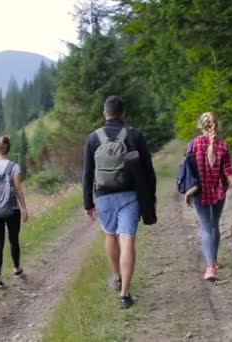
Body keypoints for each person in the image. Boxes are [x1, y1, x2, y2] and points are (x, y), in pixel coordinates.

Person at [82, 95, 156, 309]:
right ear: (123, 113)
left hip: (104, 195)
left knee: (110, 234)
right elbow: (148, 171)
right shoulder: (134, 135)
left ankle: (116, 277)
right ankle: (125, 295)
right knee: (127, 240)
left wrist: (88, 202)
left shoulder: (93, 138)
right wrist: (149, 198)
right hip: (130, 195)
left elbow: (87, 173)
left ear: (104, 113)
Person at [186, 112, 232, 281]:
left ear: (200, 126)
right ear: (216, 126)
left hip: (200, 191)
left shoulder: (193, 144)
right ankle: (214, 260)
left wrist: (188, 192)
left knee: (206, 227)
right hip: (218, 191)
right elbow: (228, 171)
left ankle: (210, 267)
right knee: (214, 225)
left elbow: (188, 171)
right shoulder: (223, 146)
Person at [0, 136, 29, 289]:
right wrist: (24, 208)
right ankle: (17, 270)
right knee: (13, 239)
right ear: (8, 149)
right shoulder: (14, 167)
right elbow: (18, 189)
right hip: (12, 209)